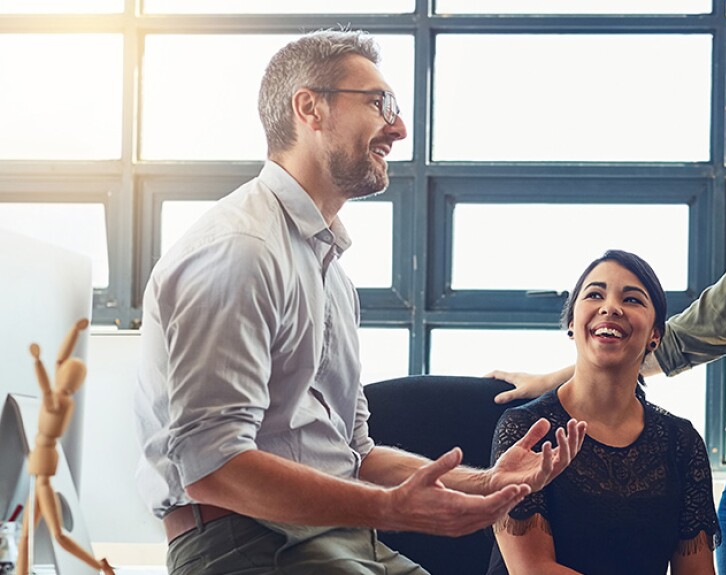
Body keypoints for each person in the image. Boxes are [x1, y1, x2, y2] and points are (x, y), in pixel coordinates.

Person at [134, 29, 587, 575]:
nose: (398, 128)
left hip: (339, 536)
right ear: (310, 108)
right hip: (248, 540)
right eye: (380, 104)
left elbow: (357, 455)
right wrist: (391, 510)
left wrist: (483, 482)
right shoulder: (242, 249)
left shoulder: (331, 276)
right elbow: (213, 466)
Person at [488, 235, 726, 574]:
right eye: (594, 294)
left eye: (632, 299)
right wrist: (549, 380)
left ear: (655, 335)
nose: (610, 308)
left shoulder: (681, 442)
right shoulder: (526, 428)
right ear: (571, 323)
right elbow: (532, 569)